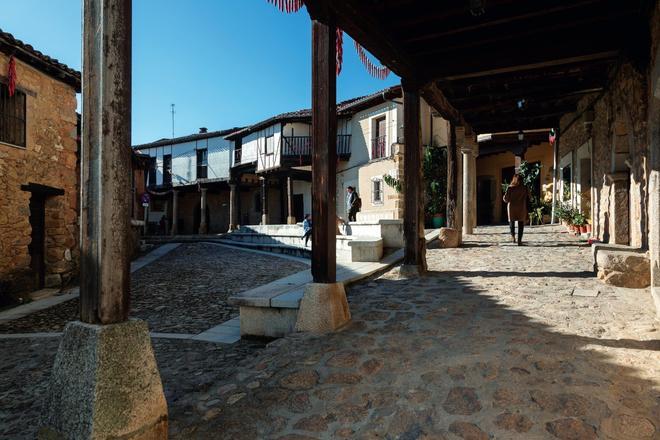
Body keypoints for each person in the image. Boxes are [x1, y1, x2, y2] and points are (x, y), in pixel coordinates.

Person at [503, 174, 529, 245]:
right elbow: (529, 196)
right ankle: (519, 241)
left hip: (512, 207)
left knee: (511, 222)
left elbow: (506, 199)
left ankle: (513, 237)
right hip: (521, 207)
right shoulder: (525, 188)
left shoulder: (510, 188)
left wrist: (504, 197)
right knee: (521, 224)